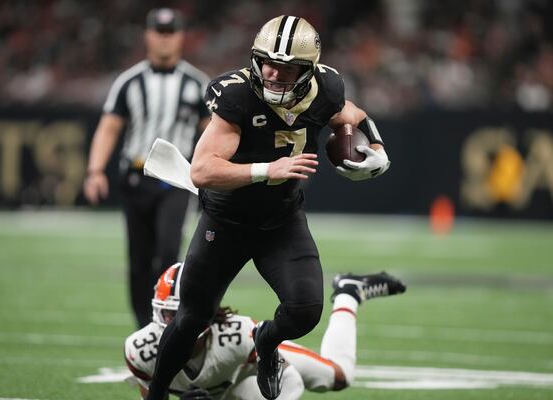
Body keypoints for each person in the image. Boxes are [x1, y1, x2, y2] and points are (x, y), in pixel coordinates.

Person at [147, 15, 391, 400]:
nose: (274, 73)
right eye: (268, 63)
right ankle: (157, 395)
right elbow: (202, 170)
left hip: (281, 219)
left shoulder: (324, 89)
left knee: (306, 310)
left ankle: (267, 340)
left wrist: (377, 151)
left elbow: (353, 115)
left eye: (286, 67)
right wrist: (266, 169)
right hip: (226, 221)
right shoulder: (237, 95)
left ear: (307, 71)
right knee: (193, 317)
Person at [83, 8, 211, 328]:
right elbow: (109, 126)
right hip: (136, 176)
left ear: (181, 37)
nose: (164, 38)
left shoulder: (196, 83)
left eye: (170, 32)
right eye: (159, 31)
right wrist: (95, 170)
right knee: (138, 259)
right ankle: (144, 328)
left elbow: (213, 132)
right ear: (148, 36)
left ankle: (165, 321)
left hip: (176, 179)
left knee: (168, 251)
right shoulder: (129, 81)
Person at [125, 263, 406, 399]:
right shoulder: (142, 350)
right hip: (225, 386)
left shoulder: (237, 336)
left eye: (182, 312)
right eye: (169, 313)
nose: (178, 321)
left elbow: (290, 380)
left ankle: (348, 293)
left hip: (248, 370)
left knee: (338, 375)